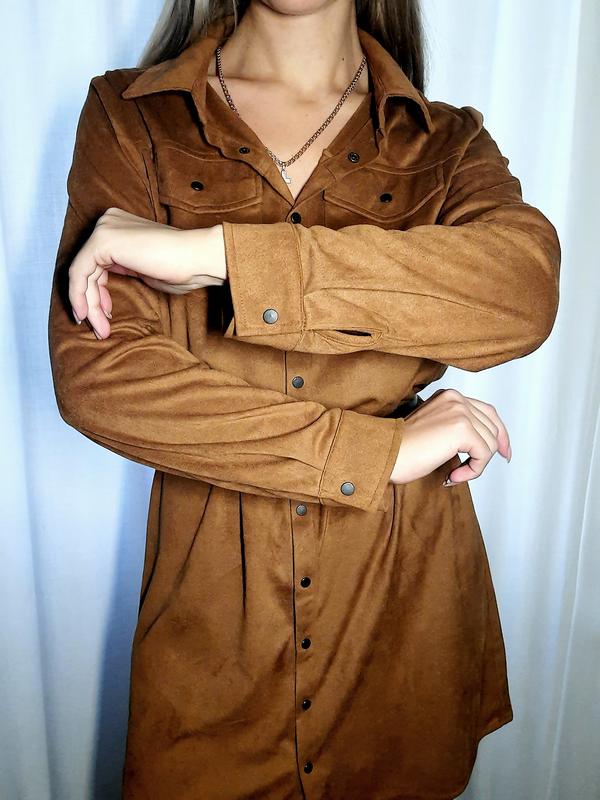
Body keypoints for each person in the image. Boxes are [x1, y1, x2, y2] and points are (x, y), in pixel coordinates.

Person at [47, 0, 561, 798]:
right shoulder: (133, 116)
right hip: (214, 640)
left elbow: (521, 292)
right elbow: (102, 378)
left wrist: (221, 256)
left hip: (405, 629)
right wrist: (379, 451)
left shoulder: (445, 143)